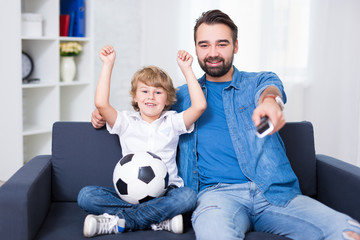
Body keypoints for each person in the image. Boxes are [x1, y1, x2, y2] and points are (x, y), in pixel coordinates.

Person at [91, 10, 360, 240]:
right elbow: (146, 114)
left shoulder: (256, 82)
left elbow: (271, 90)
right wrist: (100, 116)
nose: (213, 53)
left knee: (345, 230)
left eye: (222, 44)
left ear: (236, 46)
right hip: (216, 198)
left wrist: (269, 103)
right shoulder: (182, 97)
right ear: (196, 48)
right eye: (204, 45)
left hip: (274, 193)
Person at [78, 45, 206, 237]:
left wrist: (187, 69)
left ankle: (120, 222)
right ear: (135, 97)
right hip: (130, 195)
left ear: (167, 98)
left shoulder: (173, 121)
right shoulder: (125, 121)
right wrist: (108, 64)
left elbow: (199, 106)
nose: (151, 97)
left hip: (167, 192)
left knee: (187, 197)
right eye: (144, 91)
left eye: (158, 92)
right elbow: (102, 104)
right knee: (86, 196)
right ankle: (159, 221)